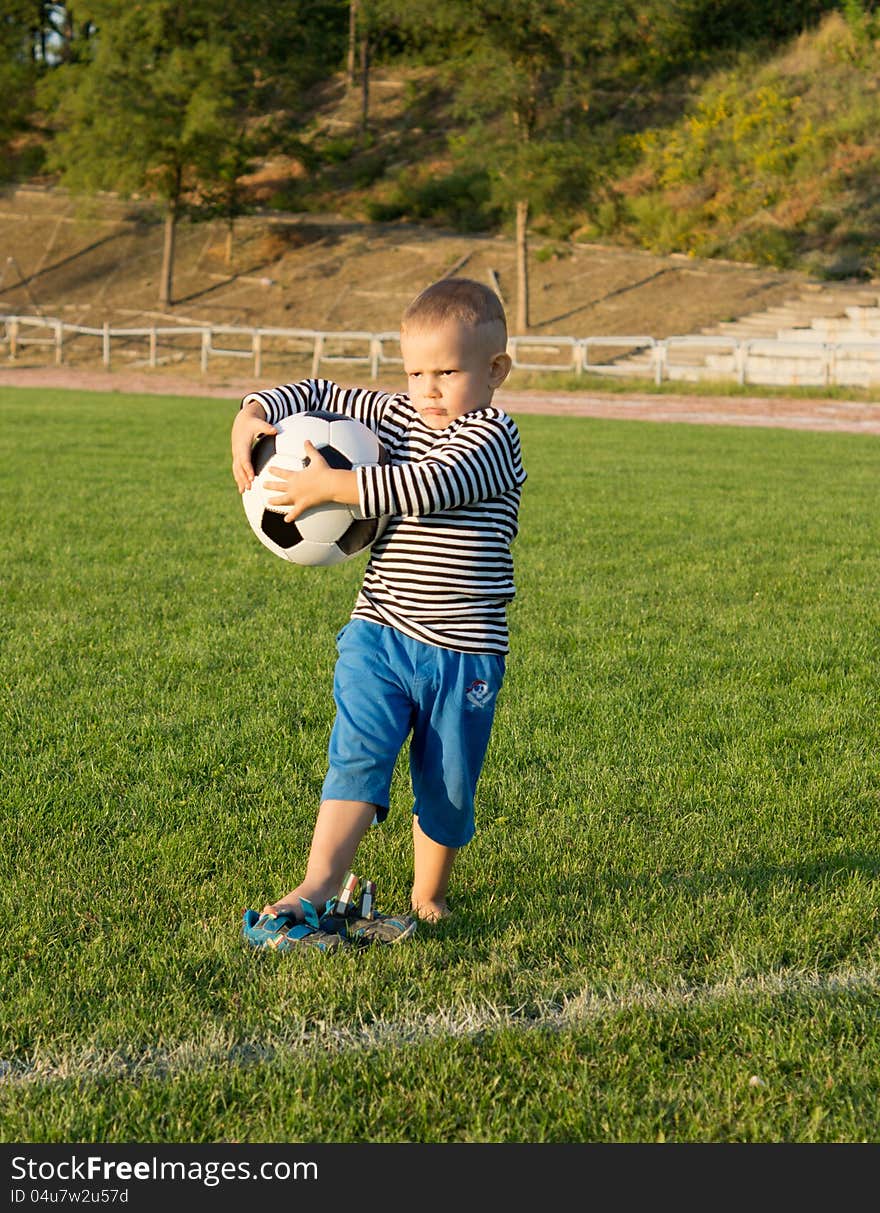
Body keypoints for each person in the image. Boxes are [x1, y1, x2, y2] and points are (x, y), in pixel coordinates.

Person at [231, 277, 527, 951]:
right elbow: (314, 390)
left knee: (447, 784)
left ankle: (428, 894)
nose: (427, 389)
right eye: (416, 372)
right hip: (381, 631)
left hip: (464, 650)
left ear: (495, 370)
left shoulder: (492, 436)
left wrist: (329, 485)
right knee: (358, 750)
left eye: (447, 372)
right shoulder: (394, 415)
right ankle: (317, 882)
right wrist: (251, 413)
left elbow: (422, 485)